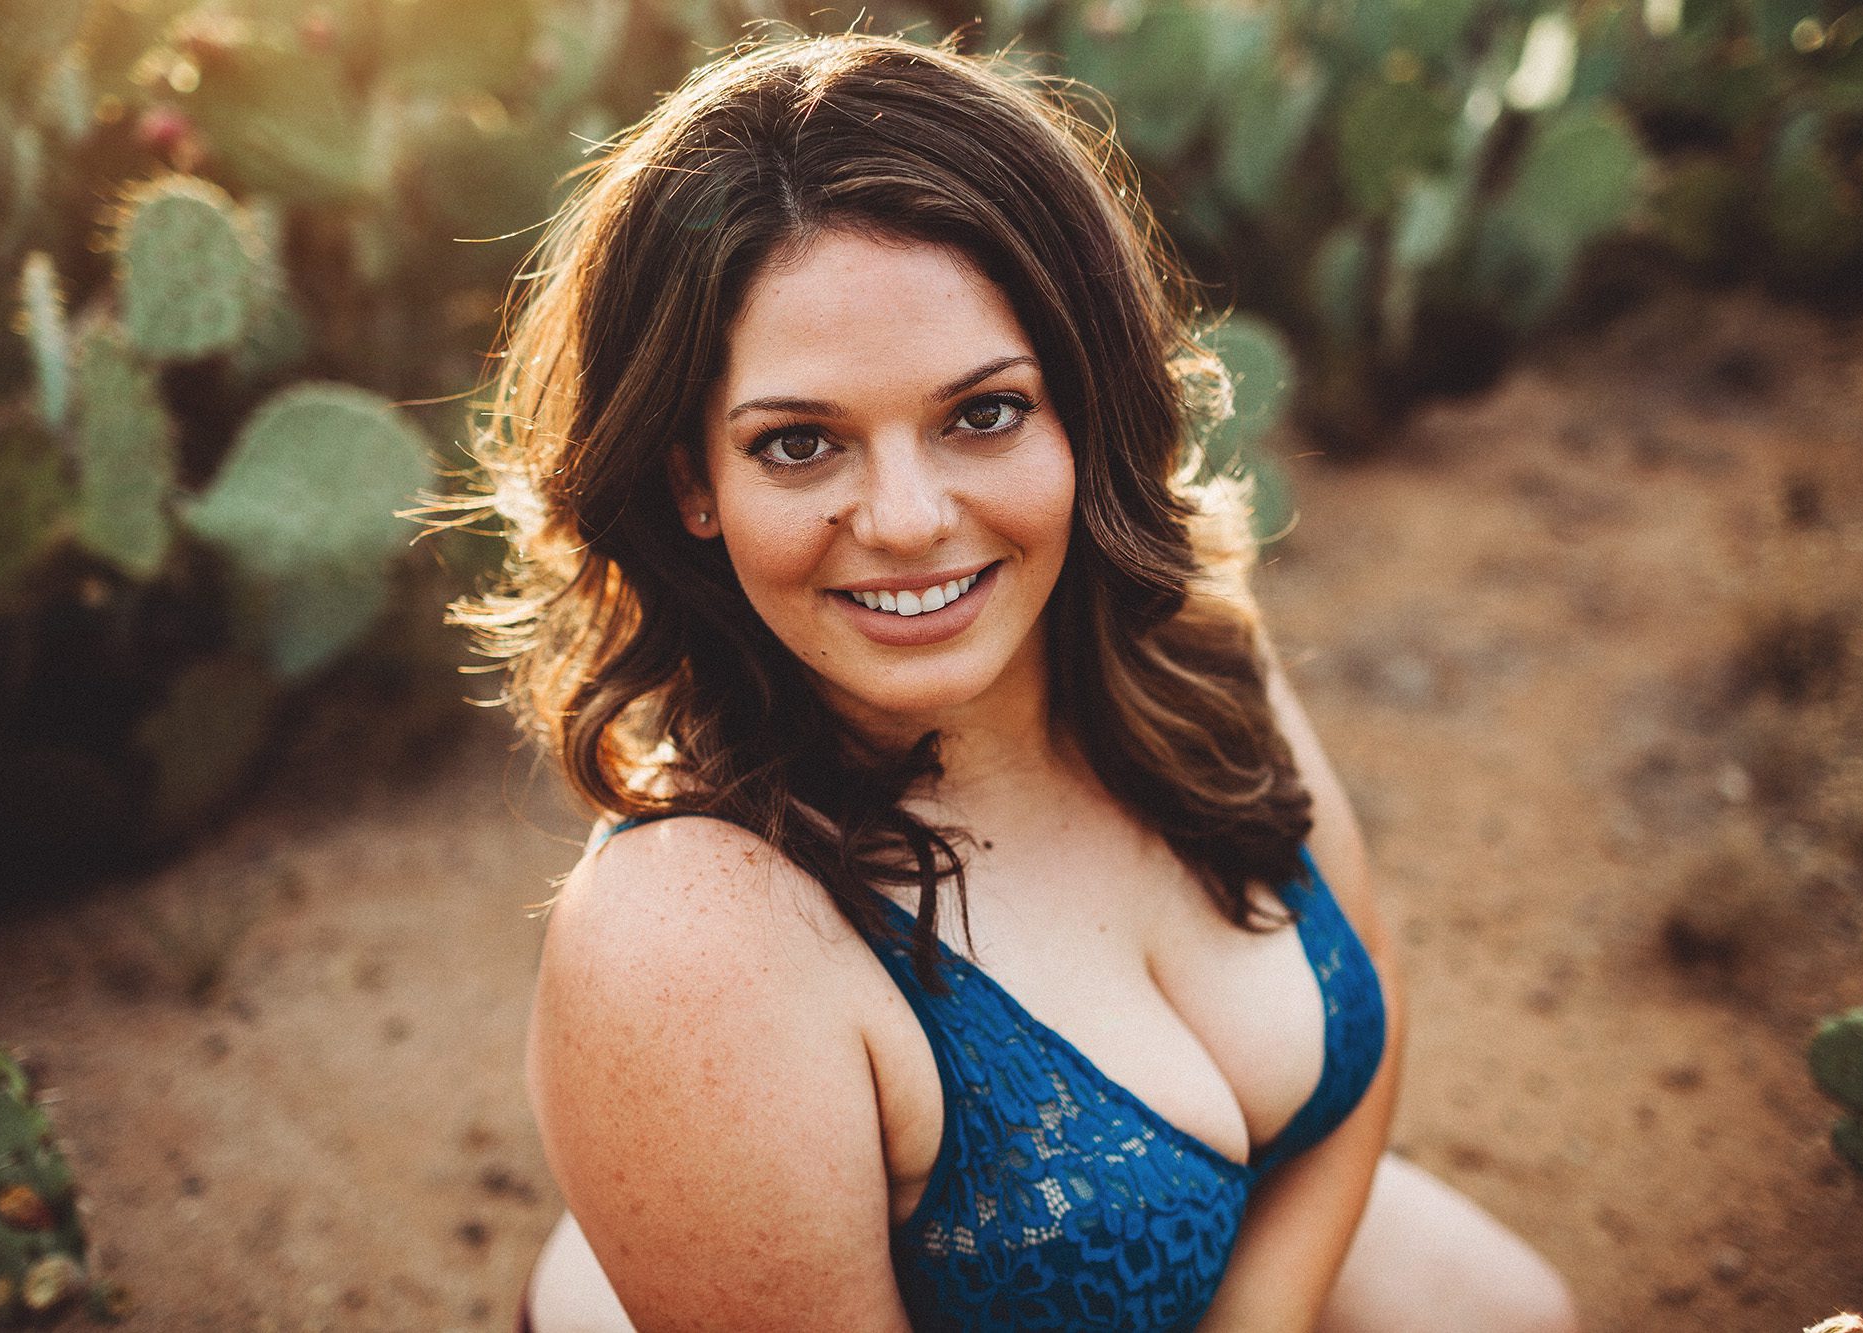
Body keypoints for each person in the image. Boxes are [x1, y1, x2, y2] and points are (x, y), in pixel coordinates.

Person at [456, 29, 1580, 1333]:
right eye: (801, 442)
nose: (909, 517)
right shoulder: (682, 949)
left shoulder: (1190, 644)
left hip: (1227, 1259)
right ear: (689, 481)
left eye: (980, 411)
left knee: (1517, 1310)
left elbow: (1361, 998)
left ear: (1082, 406)